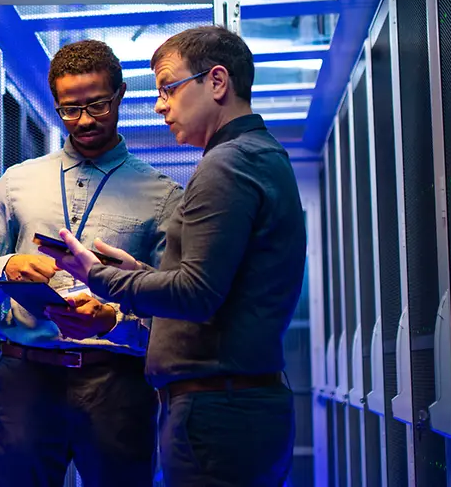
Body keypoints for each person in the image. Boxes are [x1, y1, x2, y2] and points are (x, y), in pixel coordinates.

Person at [40, 26, 305, 486]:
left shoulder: (227, 163)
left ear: (217, 82)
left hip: (216, 414)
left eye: (168, 88)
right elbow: (221, 285)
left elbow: (195, 294)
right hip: (234, 408)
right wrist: (141, 273)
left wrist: (98, 275)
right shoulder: (260, 155)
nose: (160, 104)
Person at [0, 39, 183, 487]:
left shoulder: (162, 197)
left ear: (120, 95)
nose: (83, 121)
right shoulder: (16, 182)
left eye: (97, 105)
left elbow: (176, 313)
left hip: (117, 384)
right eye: (69, 109)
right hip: (25, 380)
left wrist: (112, 320)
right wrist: (7, 268)